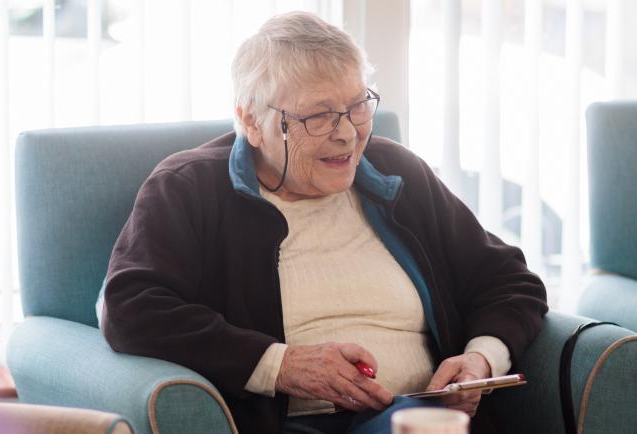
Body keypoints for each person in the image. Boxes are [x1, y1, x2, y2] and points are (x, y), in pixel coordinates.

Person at [101, 11, 548, 434]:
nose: (348, 133)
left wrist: (480, 359)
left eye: (357, 106)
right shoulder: (190, 187)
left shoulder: (397, 173)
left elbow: (508, 280)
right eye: (319, 116)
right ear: (251, 121)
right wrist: (282, 366)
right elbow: (131, 306)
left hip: (422, 417)